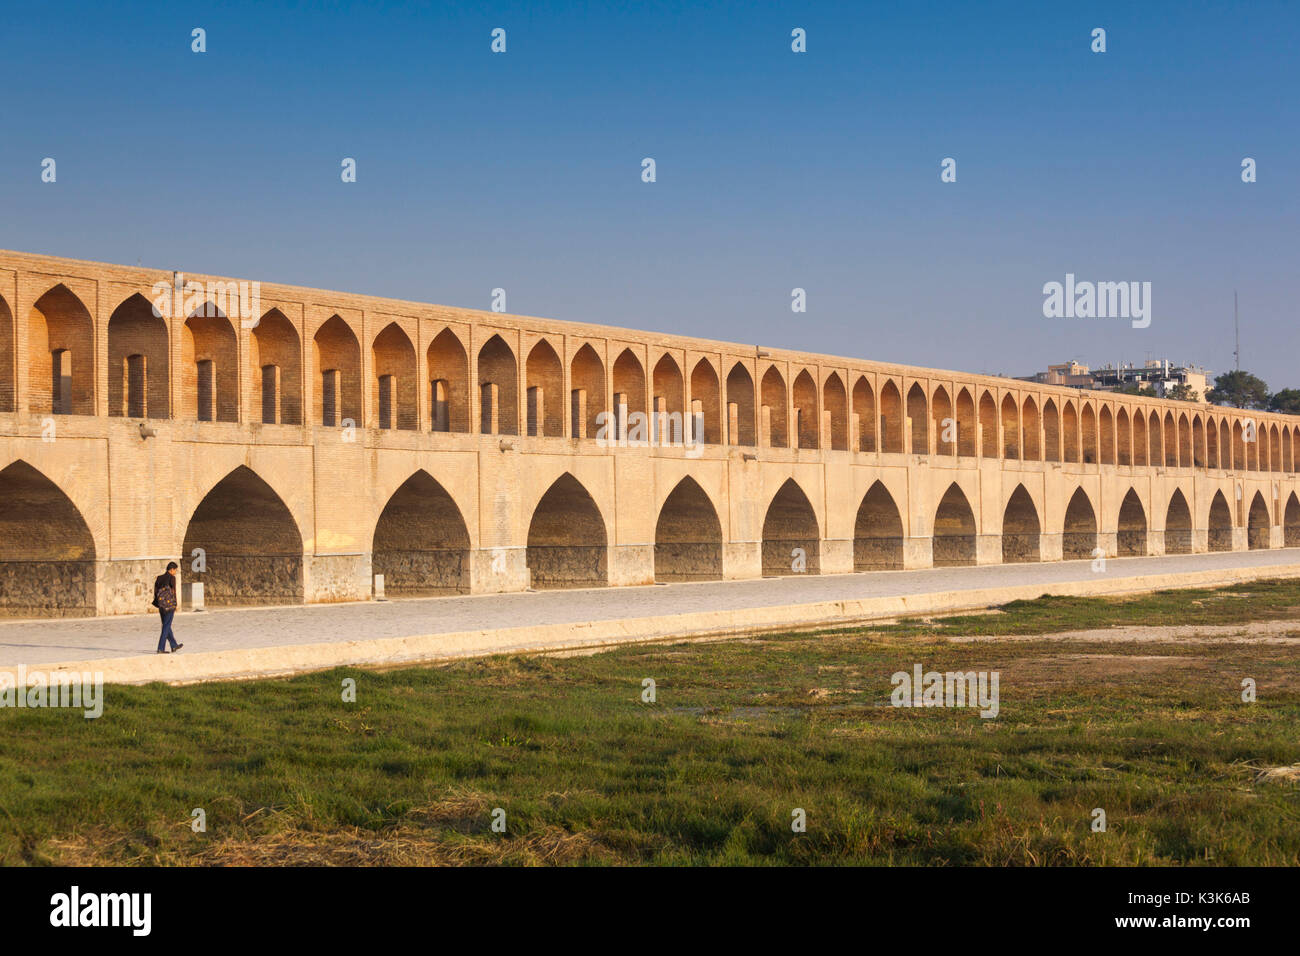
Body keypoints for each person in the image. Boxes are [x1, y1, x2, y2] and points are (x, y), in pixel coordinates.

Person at [152, 562, 184, 654]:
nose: (175, 572)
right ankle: (160, 648)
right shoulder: (172, 578)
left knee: (166, 625)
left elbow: (155, 592)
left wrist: (158, 603)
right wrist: (175, 604)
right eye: (175, 570)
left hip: (161, 606)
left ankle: (174, 645)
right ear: (172, 569)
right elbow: (173, 591)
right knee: (166, 626)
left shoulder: (159, 578)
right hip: (169, 606)